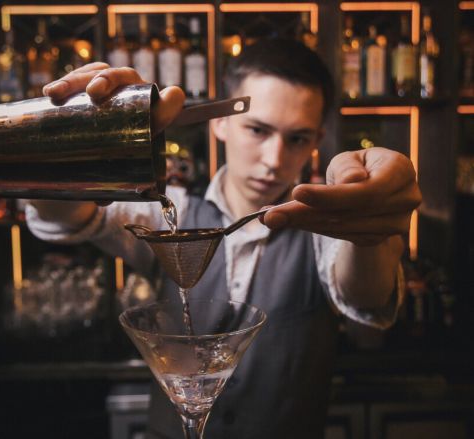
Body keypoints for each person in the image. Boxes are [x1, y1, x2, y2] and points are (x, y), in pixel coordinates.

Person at [27, 39, 421, 438]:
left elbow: (367, 298)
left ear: (317, 140)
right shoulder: (170, 212)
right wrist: (69, 141)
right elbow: (67, 216)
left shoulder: (322, 228)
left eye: (297, 138)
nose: (274, 159)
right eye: (258, 130)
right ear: (220, 123)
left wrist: (369, 231)